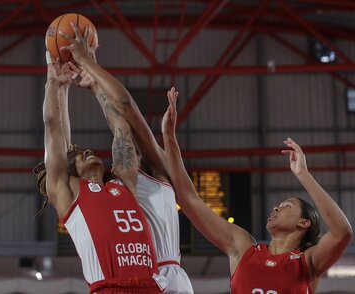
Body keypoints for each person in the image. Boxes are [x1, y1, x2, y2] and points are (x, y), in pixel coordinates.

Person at [161, 88, 353, 293]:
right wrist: (169, 137)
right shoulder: (243, 247)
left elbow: (342, 232)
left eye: (286, 206)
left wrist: (304, 175)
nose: (276, 209)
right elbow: (189, 199)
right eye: (278, 205)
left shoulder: (308, 262)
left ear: (304, 223)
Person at [61, 22, 193, 293]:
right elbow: (123, 110)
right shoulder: (117, 183)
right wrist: (91, 73)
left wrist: (92, 72)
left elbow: (124, 107)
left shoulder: (155, 165)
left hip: (165, 274)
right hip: (143, 275)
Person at [35, 50, 166, 293]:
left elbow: (122, 129)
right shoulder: (70, 192)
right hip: (110, 288)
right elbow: (53, 127)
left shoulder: (123, 185)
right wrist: (54, 84)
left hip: (151, 287)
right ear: (69, 169)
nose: (88, 152)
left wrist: (96, 85)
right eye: (80, 155)